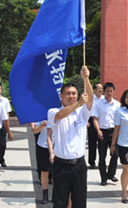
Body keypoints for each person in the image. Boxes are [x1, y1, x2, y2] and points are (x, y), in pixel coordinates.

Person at [47, 66, 93, 208]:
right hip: (61, 166)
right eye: (68, 94)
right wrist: (79, 102)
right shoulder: (53, 111)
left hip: (79, 165)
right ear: (61, 96)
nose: (71, 96)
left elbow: (90, 99)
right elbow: (60, 116)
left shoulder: (82, 113)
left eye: (74, 93)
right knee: (60, 202)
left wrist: (86, 78)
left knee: (79, 202)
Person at [91, 82, 121, 185]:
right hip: (102, 131)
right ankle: (103, 178)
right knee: (102, 156)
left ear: (113, 91)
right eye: (107, 91)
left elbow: (119, 120)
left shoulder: (117, 105)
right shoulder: (98, 104)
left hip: (114, 131)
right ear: (104, 91)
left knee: (115, 154)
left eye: (111, 91)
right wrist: (98, 130)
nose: (109, 93)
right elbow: (95, 118)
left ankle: (111, 174)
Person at [32, 121, 53, 204]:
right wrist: (41, 126)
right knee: (44, 171)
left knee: (57, 172)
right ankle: (45, 195)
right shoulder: (41, 114)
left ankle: (56, 194)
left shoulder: (60, 112)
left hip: (58, 145)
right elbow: (34, 130)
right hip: (43, 145)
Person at [0, 82, 13, 167]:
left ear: (1, 89)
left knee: (3, 145)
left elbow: (7, 114)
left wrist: (8, 129)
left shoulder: (5, 100)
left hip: (2, 125)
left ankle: (1, 159)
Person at [87, 83, 104, 169]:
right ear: (94, 89)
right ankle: (92, 162)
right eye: (99, 88)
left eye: (102, 88)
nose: (101, 90)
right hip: (91, 121)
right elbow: (85, 110)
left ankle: (102, 161)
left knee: (102, 143)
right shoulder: (90, 99)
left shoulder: (104, 99)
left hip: (101, 121)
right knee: (92, 143)